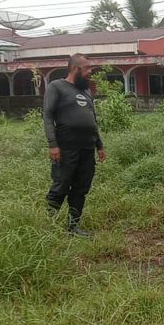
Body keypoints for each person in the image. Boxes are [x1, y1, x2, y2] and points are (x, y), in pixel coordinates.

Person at [43, 53, 106, 236]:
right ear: (75, 69)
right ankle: (48, 225)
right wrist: (53, 145)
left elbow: (92, 121)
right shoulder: (57, 87)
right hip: (66, 146)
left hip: (87, 147)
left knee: (81, 187)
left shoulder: (86, 91)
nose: (90, 71)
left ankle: (73, 226)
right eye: (87, 68)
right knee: (62, 184)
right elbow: (48, 116)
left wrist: (99, 146)